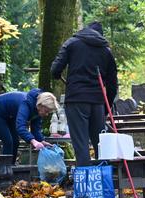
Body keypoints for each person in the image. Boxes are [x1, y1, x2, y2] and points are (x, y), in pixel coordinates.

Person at [51, 21, 118, 166]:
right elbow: (113, 85)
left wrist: (57, 75)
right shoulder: (106, 51)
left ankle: (86, 184)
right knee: (101, 144)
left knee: (81, 144)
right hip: (97, 102)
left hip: (76, 100)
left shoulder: (72, 43)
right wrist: (106, 108)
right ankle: (103, 180)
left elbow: (55, 69)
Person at [0, 88, 59, 164]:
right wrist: (33, 141)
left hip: (10, 115)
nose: (46, 114)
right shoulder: (25, 104)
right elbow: (20, 127)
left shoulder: (38, 110)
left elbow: (36, 129)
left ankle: (10, 166)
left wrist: (41, 141)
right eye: (46, 111)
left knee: (15, 142)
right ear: (40, 105)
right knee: (8, 141)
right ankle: (4, 168)